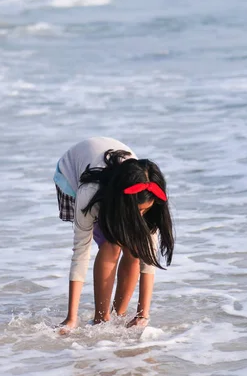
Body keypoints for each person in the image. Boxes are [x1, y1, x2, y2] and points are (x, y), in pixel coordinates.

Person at [53, 137, 174, 332]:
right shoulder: (89, 193)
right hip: (73, 174)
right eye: (137, 211)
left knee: (135, 248)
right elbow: (81, 253)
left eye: (145, 211)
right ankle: (101, 319)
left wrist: (143, 314)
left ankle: (119, 314)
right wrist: (71, 318)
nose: (141, 216)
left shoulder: (148, 192)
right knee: (111, 245)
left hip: (117, 188)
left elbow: (147, 257)